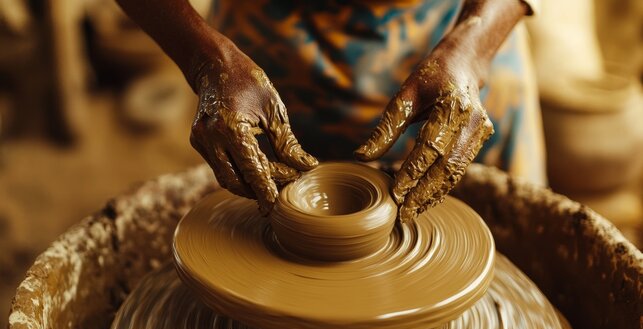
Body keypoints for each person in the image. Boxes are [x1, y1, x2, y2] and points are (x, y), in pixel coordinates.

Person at [115, 0, 543, 222]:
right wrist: (205, 60)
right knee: (262, 223)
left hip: (456, 35)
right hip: (265, 54)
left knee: (510, 248)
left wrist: (471, 51)